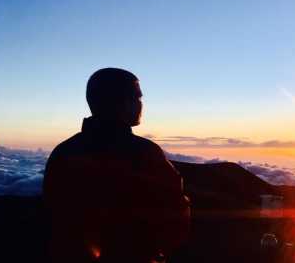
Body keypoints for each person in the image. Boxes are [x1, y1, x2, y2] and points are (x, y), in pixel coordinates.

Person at [43, 68, 190, 263]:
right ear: (119, 102)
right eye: (136, 98)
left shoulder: (63, 152)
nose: (140, 105)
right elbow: (176, 213)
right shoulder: (144, 153)